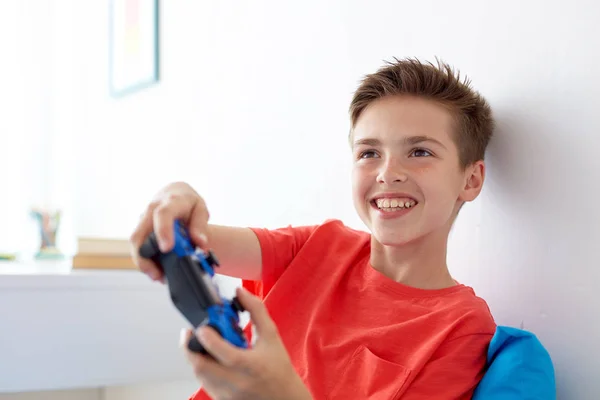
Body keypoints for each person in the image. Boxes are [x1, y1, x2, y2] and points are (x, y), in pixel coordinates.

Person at [130, 57, 497, 400]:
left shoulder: (461, 326)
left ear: (471, 179)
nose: (388, 173)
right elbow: (191, 234)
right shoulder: (317, 246)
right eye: (369, 153)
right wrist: (176, 196)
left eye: (419, 152)